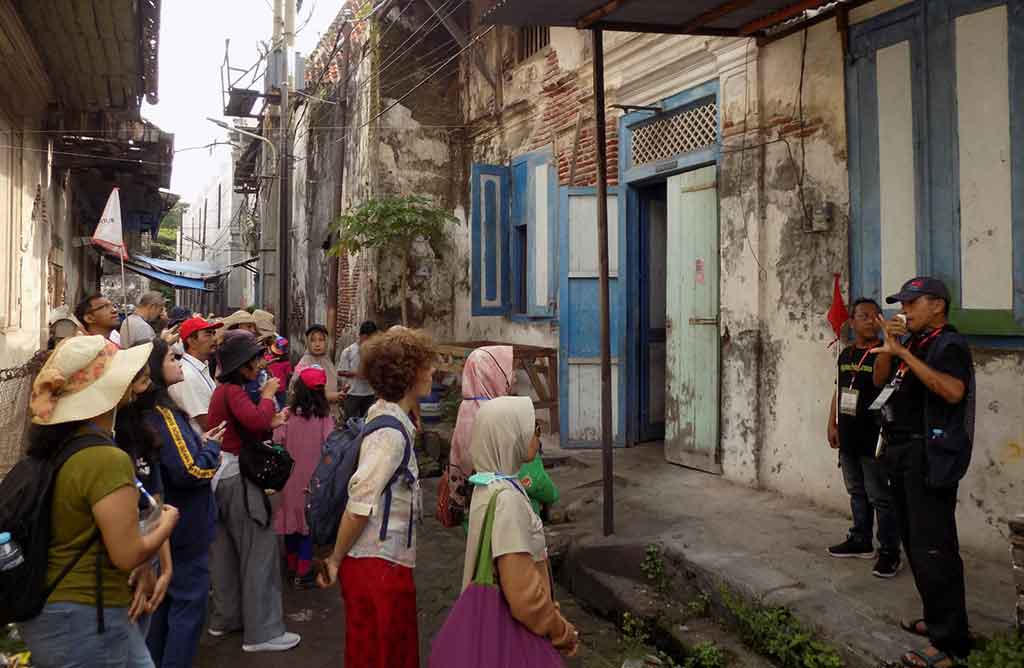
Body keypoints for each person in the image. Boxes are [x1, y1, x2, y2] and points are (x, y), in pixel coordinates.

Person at [18, 336, 179, 668]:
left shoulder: (60, 447)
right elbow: (127, 554)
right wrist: (167, 523)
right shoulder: (104, 458)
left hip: (61, 609)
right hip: (85, 617)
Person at [871, 277, 975, 668]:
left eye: (913, 304)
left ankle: (950, 645)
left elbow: (952, 391)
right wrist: (890, 349)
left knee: (935, 548)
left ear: (937, 306)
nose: (906, 310)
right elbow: (882, 381)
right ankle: (938, 622)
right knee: (916, 545)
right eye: (903, 304)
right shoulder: (912, 342)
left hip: (928, 456)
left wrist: (906, 354)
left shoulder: (949, 345)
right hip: (901, 452)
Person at [317, 327, 435, 668]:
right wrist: (336, 559)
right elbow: (359, 506)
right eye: (426, 366)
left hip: (387, 562)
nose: (432, 372)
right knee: (379, 655)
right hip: (376, 564)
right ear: (410, 374)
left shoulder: (389, 416)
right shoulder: (389, 434)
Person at [460, 396, 579, 658]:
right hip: (517, 639)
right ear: (509, 436)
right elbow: (525, 598)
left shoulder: (487, 484)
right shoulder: (508, 500)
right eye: (534, 429)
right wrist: (560, 630)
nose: (539, 437)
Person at [133, 339, 224, 668]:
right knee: (186, 609)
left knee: (164, 609)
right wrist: (212, 448)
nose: (179, 363)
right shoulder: (164, 416)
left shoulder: (152, 412)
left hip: (167, 527)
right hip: (183, 527)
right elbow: (192, 470)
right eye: (173, 358)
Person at [206, 330, 298, 653]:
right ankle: (263, 632)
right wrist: (270, 394)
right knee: (259, 552)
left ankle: (226, 618)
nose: (260, 364)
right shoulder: (233, 391)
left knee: (227, 556)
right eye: (255, 359)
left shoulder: (225, 391)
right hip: (237, 481)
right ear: (243, 365)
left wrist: (269, 417)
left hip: (222, 476)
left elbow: (251, 422)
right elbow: (256, 420)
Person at [826, 298, 902, 578]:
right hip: (848, 434)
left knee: (880, 496)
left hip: (875, 436)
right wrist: (831, 422)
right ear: (852, 321)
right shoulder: (845, 355)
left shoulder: (887, 353)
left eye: (875, 316)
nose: (870, 320)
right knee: (856, 491)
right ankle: (860, 539)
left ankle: (890, 552)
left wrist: (887, 344)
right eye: (863, 315)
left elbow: (880, 381)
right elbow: (839, 388)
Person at [273, 365, 334, 589]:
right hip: (313, 481)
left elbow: (277, 440)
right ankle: (302, 571)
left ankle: (290, 565)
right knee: (308, 526)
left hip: (289, 481)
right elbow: (330, 449)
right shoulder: (325, 417)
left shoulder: (287, 413)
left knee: (291, 522)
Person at [168, 316, 222, 436]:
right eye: (208, 334)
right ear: (191, 341)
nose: (214, 339)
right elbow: (207, 423)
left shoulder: (200, 367)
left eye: (214, 333)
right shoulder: (186, 374)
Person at [337, 321, 379, 419]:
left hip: (370, 393)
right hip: (353, 393)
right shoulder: (349, 351)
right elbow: (340, 371)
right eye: (370, 338)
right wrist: (357, 374)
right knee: (349, 422)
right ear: (363, 336)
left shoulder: (375, 352)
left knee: (368, 421)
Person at [295, 324, 343, 404]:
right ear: (307, 342)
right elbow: (299, 393)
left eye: (321, 340)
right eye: (312, 340)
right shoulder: (304, 364)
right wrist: (330, 396)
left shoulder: (327, 360)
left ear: (326, 341)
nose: (317, 344)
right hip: (312, 413)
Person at [265, 337, 293, 407]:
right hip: (281, 388)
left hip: (269, 387)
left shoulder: (267, 358)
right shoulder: (286, 362)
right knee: (281, 406)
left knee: (270, 405)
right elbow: (288, 374)